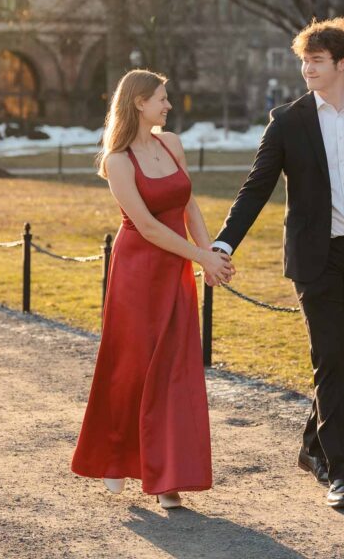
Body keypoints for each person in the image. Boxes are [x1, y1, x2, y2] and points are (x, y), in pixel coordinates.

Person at [212, 18, 344, 509]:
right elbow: (255, 188)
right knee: (330, 359)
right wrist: (224, 244)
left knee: (342, 363)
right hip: (315, 258)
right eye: (303, 60)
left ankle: (312, 446)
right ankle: (340, 473)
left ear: (343, 63)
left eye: (317, 61)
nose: (307, 68)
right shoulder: (288, 121)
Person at [71, 69, 233, 509]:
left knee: (175, 372)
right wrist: (198, 257)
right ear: (139, 103)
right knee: (131, 369)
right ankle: (114, 455)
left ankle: (167, 480)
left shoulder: (172, 143)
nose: (168, 105)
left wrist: (210, 255)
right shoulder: (117, 161)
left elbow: (188, 204)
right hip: (137, 273)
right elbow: (144, 225)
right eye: (161, 98)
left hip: (176, 270)